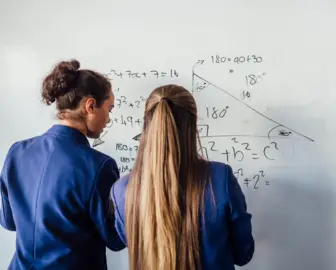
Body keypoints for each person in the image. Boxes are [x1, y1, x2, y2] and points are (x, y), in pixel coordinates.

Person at [110, 84, 255, 270]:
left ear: (147, 125)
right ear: (193, 126)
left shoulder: (122, 190)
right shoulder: (221, 179)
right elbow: (243, 254)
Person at [0, 59, 125, 269]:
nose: (109, 119)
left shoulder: (16, 152)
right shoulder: (99, 166)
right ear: (90, 105)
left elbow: (8, 221)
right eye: (109, 109)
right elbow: (115, 238)